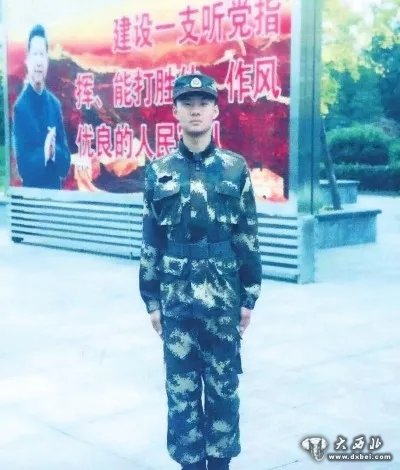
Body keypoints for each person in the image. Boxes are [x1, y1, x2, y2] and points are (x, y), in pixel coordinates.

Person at [139, 73, 262, 470]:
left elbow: (247, 235)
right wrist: (151, 300)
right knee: (182, 395)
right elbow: (151, 240)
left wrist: (249, 296)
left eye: (203, 103)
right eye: (187, 103)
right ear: (175, 111)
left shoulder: (234, 169)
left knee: (224, 392)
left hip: (223, 301)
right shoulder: (158, 170)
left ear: (215, 111)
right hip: (176, 304)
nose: (195, 110)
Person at [13, 24, 70, 189]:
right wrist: (45, 152)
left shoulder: (55, 105)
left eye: (42, 55)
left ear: (47, 61)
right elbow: (23, 168)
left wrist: (54, 152)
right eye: (35, 54)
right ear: (28, 61)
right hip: (32, 199)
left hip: (55, 197)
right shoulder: (20, 108)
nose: (39, 61)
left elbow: (65, 166)